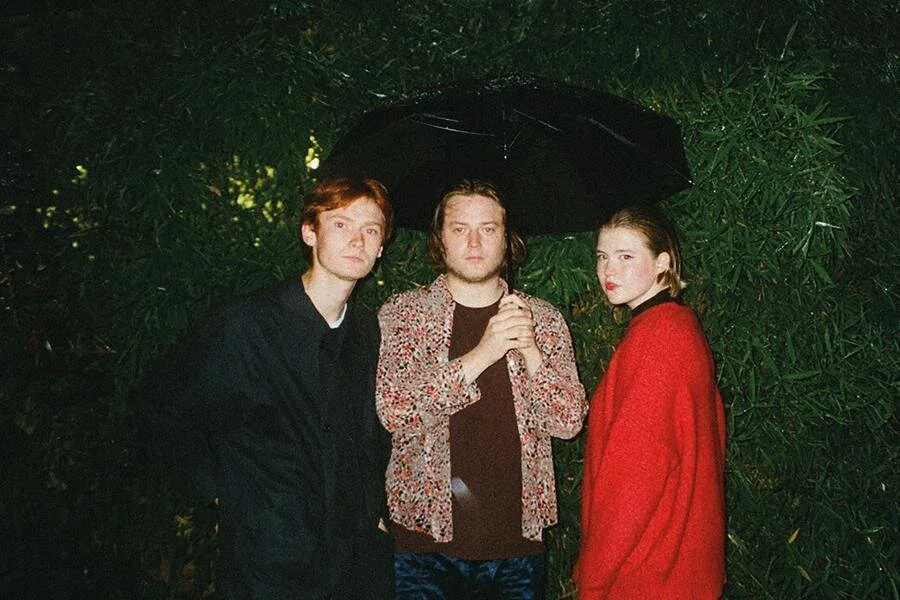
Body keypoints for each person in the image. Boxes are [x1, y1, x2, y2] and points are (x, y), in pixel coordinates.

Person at [140, 177, 395, 599]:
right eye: (341, 224)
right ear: (309, 232)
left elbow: (369, 432)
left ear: (382, 246)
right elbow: (163, 406)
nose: (357, 240)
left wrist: (375, 512)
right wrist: (220, 489)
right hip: (270, 564)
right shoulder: (246, 326)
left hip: (353, 561)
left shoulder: (366, 330)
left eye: (371, 229)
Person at [376, 179, 587, 599]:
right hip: (423, 549)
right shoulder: (404, 315)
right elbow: (395, 411)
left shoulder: (541, 318)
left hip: (516, 550)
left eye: (488, 229)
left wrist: (531, 352)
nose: (474, 242)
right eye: (460, 229)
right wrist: (483, 353)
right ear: (440, 239)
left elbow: (567, 423)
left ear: (507, 239)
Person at [573, 204, 727, 599]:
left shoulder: (658, 341)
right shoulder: (676, 328)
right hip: (676, 566)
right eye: (602, 257)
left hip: (647, 572)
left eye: (626, 257)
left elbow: (633, 480)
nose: (608, 271)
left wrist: (593, 580)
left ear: (662, 263)